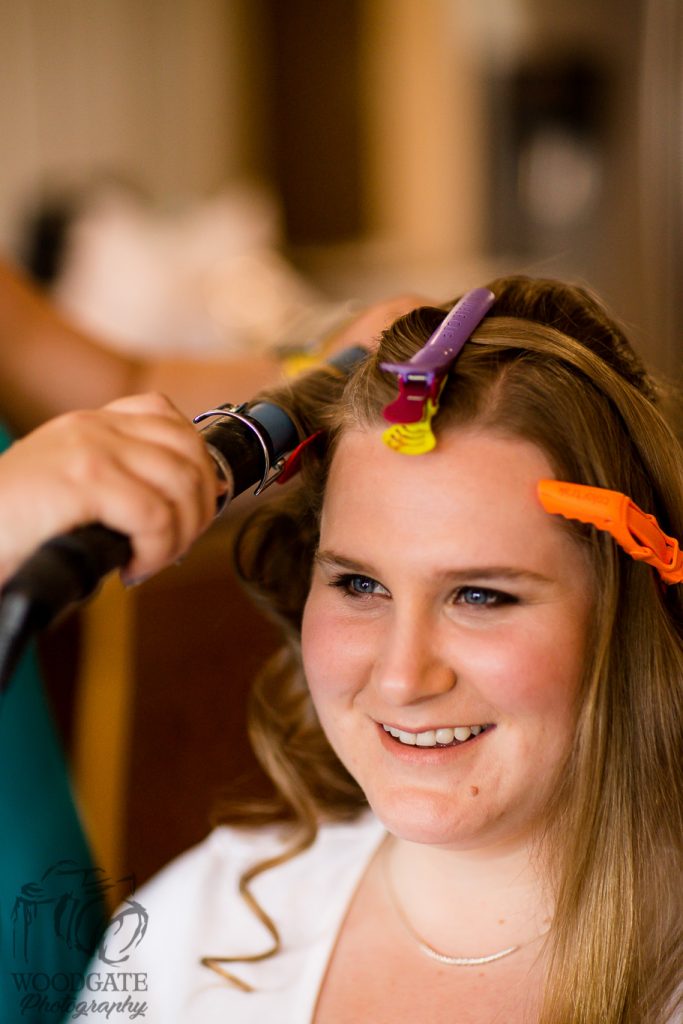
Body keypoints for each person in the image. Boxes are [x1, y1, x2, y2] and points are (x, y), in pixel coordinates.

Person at [83, 276, 682, 1024]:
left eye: (480, 596)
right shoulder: (191, 936)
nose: (401, 678)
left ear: (633, 603)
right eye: (360, 584)